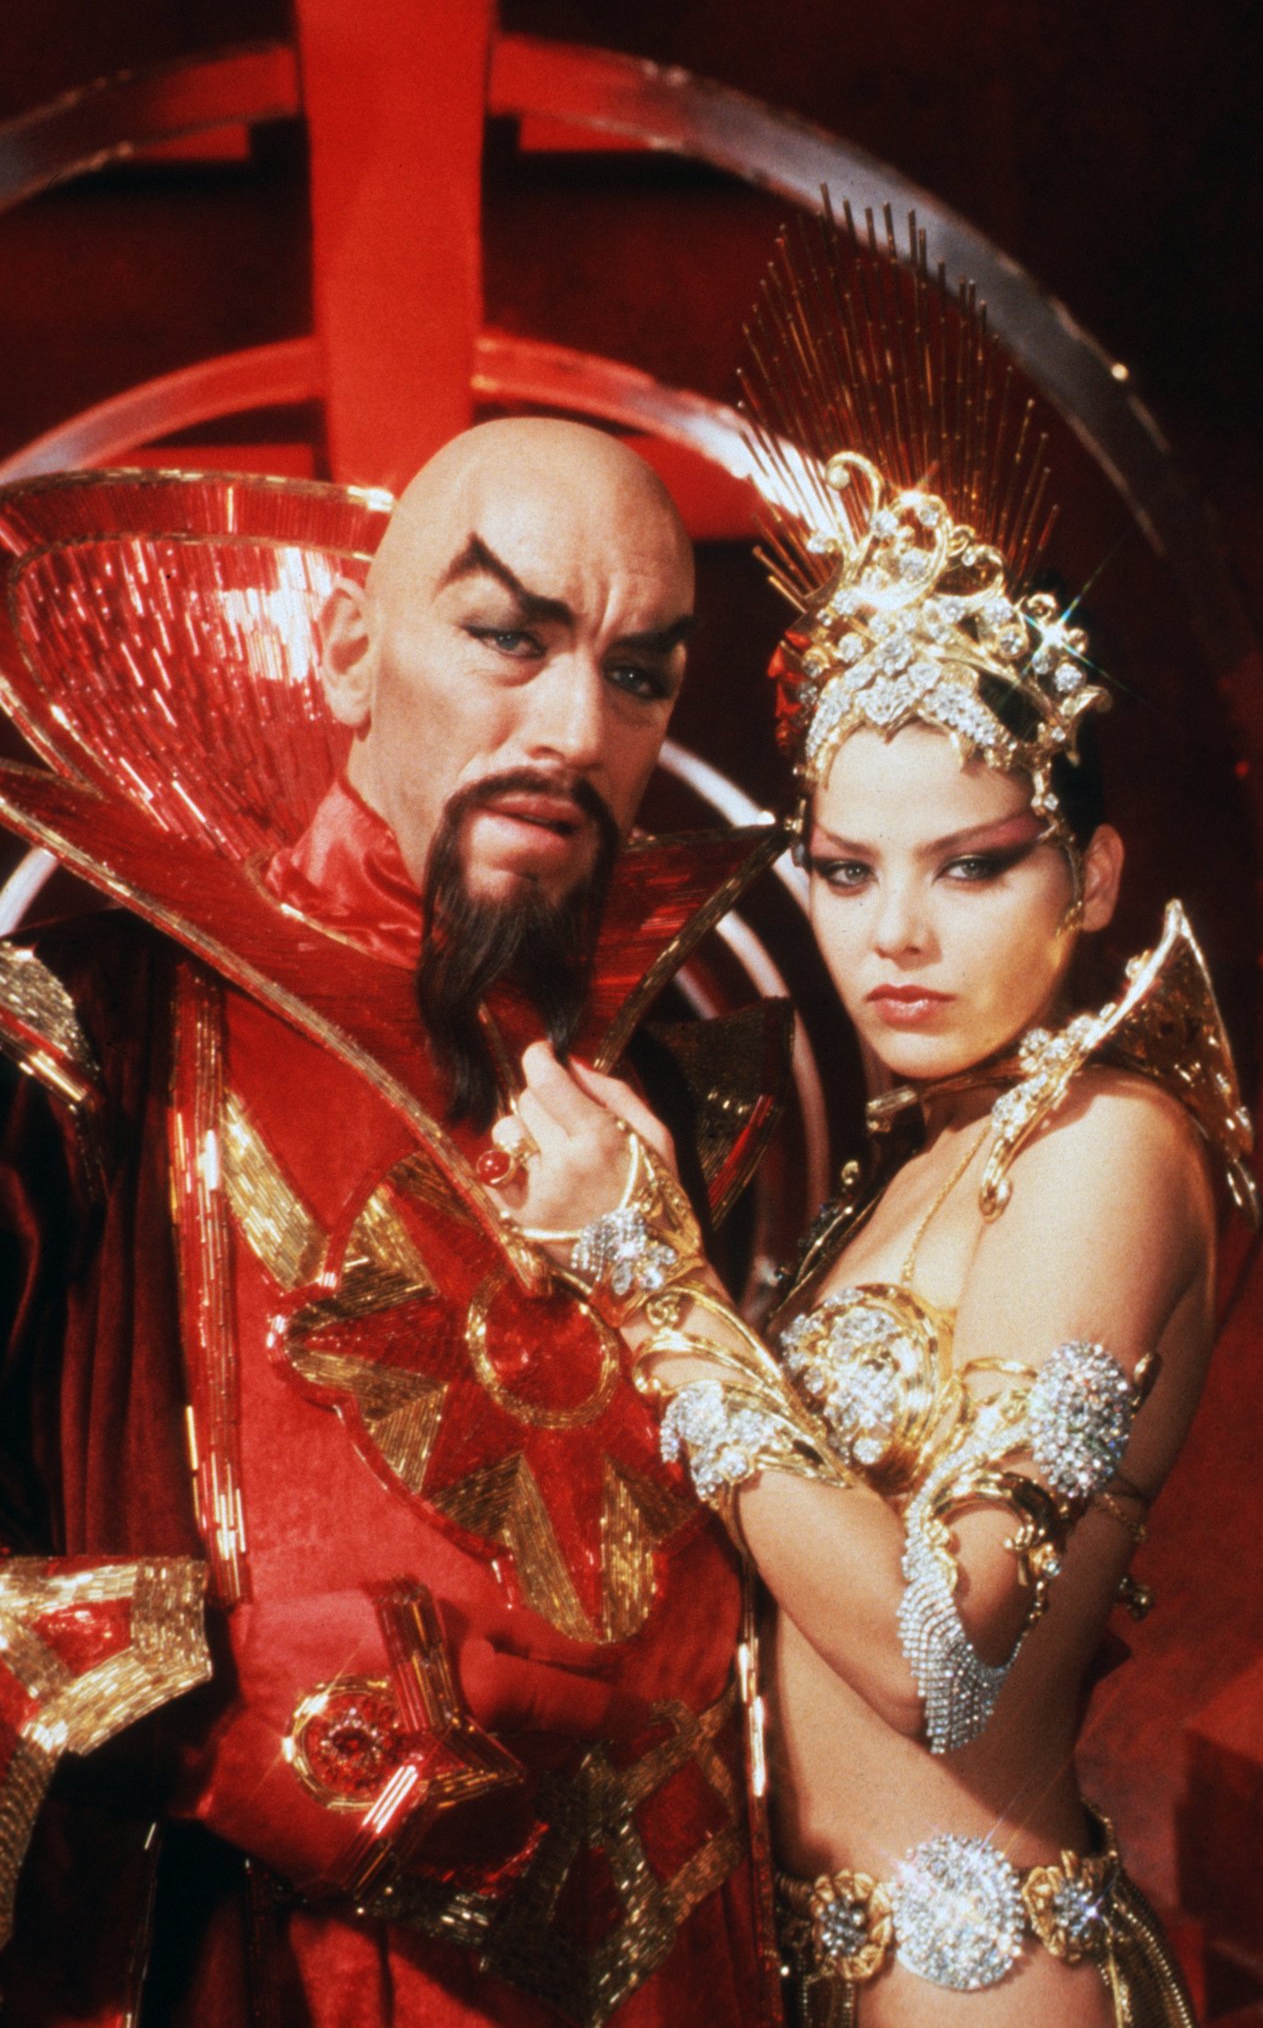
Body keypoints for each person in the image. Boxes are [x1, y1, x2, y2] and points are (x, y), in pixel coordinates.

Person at [486, 220, 1257, 2026]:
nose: (894, 934)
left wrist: (650, 1275)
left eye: (971, 866)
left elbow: (940, 1661)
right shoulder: (911, 1162)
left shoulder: (1107, 1150)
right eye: (844, 871)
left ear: (1091, 881)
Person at [0, 418, 788, 2025]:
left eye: (638, 675)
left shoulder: (692, 1108)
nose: (574, 728)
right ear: (351, 653)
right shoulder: (80, 1049)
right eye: (507, 637)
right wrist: (213, 1697)